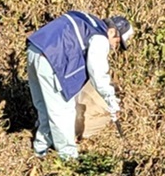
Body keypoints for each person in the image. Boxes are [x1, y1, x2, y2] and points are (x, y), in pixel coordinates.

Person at [25, 10, 131, 161]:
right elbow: (97, 72)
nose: (115, 47)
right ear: (112, 31)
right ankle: (68, 160)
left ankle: (40, 151)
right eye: (117, 42)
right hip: (51, 59)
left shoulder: (88, 22)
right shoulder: (100, 38)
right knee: (62, 111)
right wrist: (110, 99)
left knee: (44, 107)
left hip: (34, 50)